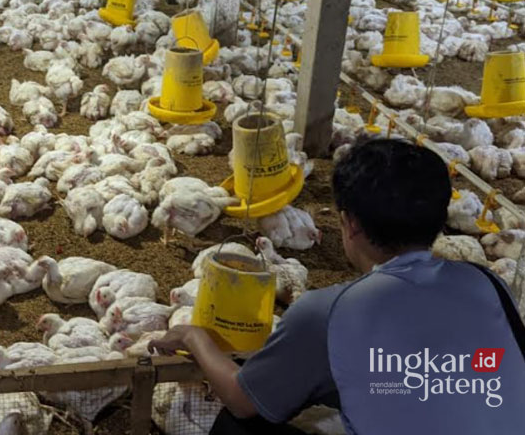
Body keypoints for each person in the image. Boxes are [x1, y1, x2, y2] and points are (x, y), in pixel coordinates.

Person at [149, 139, 525, 434]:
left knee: (237, 425)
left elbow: (243, 400)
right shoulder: (489, 283)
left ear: (349, 224)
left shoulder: (331, 312)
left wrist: (194, 338)